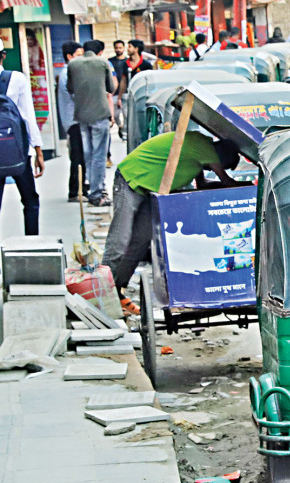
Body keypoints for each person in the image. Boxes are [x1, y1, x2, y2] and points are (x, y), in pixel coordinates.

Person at [103, 131, 242, 313]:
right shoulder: (203, 147)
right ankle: (101, 294)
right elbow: (226, 181)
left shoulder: (198, 156)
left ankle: (117, 290)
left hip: (149, 190)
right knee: (120, 240)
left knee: (140, 241)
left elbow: (203, 185)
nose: (211, 169)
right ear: (221, 157)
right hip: (130, 180)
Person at [0, 46, 45, 234]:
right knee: (30, 201)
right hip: (17, 151)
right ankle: (32, 245)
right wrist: (38, 151)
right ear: (3, 56)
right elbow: (28, 117)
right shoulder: (16, 79)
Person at [68, 40, 116, 207]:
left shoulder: (73, 64)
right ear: (100, 51)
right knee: (99, 156)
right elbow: (111, 87)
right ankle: (97, 193)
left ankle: (94, 189)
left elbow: (70, 88)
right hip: (100, 114)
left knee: (88, 155)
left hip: (82, 115)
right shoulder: (103, 63)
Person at [57, 41, 87, 202]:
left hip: (75, 120)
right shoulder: (69, 73)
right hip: (74, 121)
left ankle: (81, 187)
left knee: (80, 156)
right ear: (69, 57)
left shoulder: (70, 71)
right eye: (79, 56)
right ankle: (75, 191)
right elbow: (78, 95)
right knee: (78, 157)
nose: (82, 59)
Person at [109, 40, 129, 139]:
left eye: (120, 48)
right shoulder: (110, 61)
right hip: (114, 92)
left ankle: (124, 133)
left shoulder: (128, 62)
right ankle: (120, 126)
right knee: (115, 115)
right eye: (116, 48)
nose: (118, 50)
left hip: (125, 92)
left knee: (126, 114)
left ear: (123, 48)